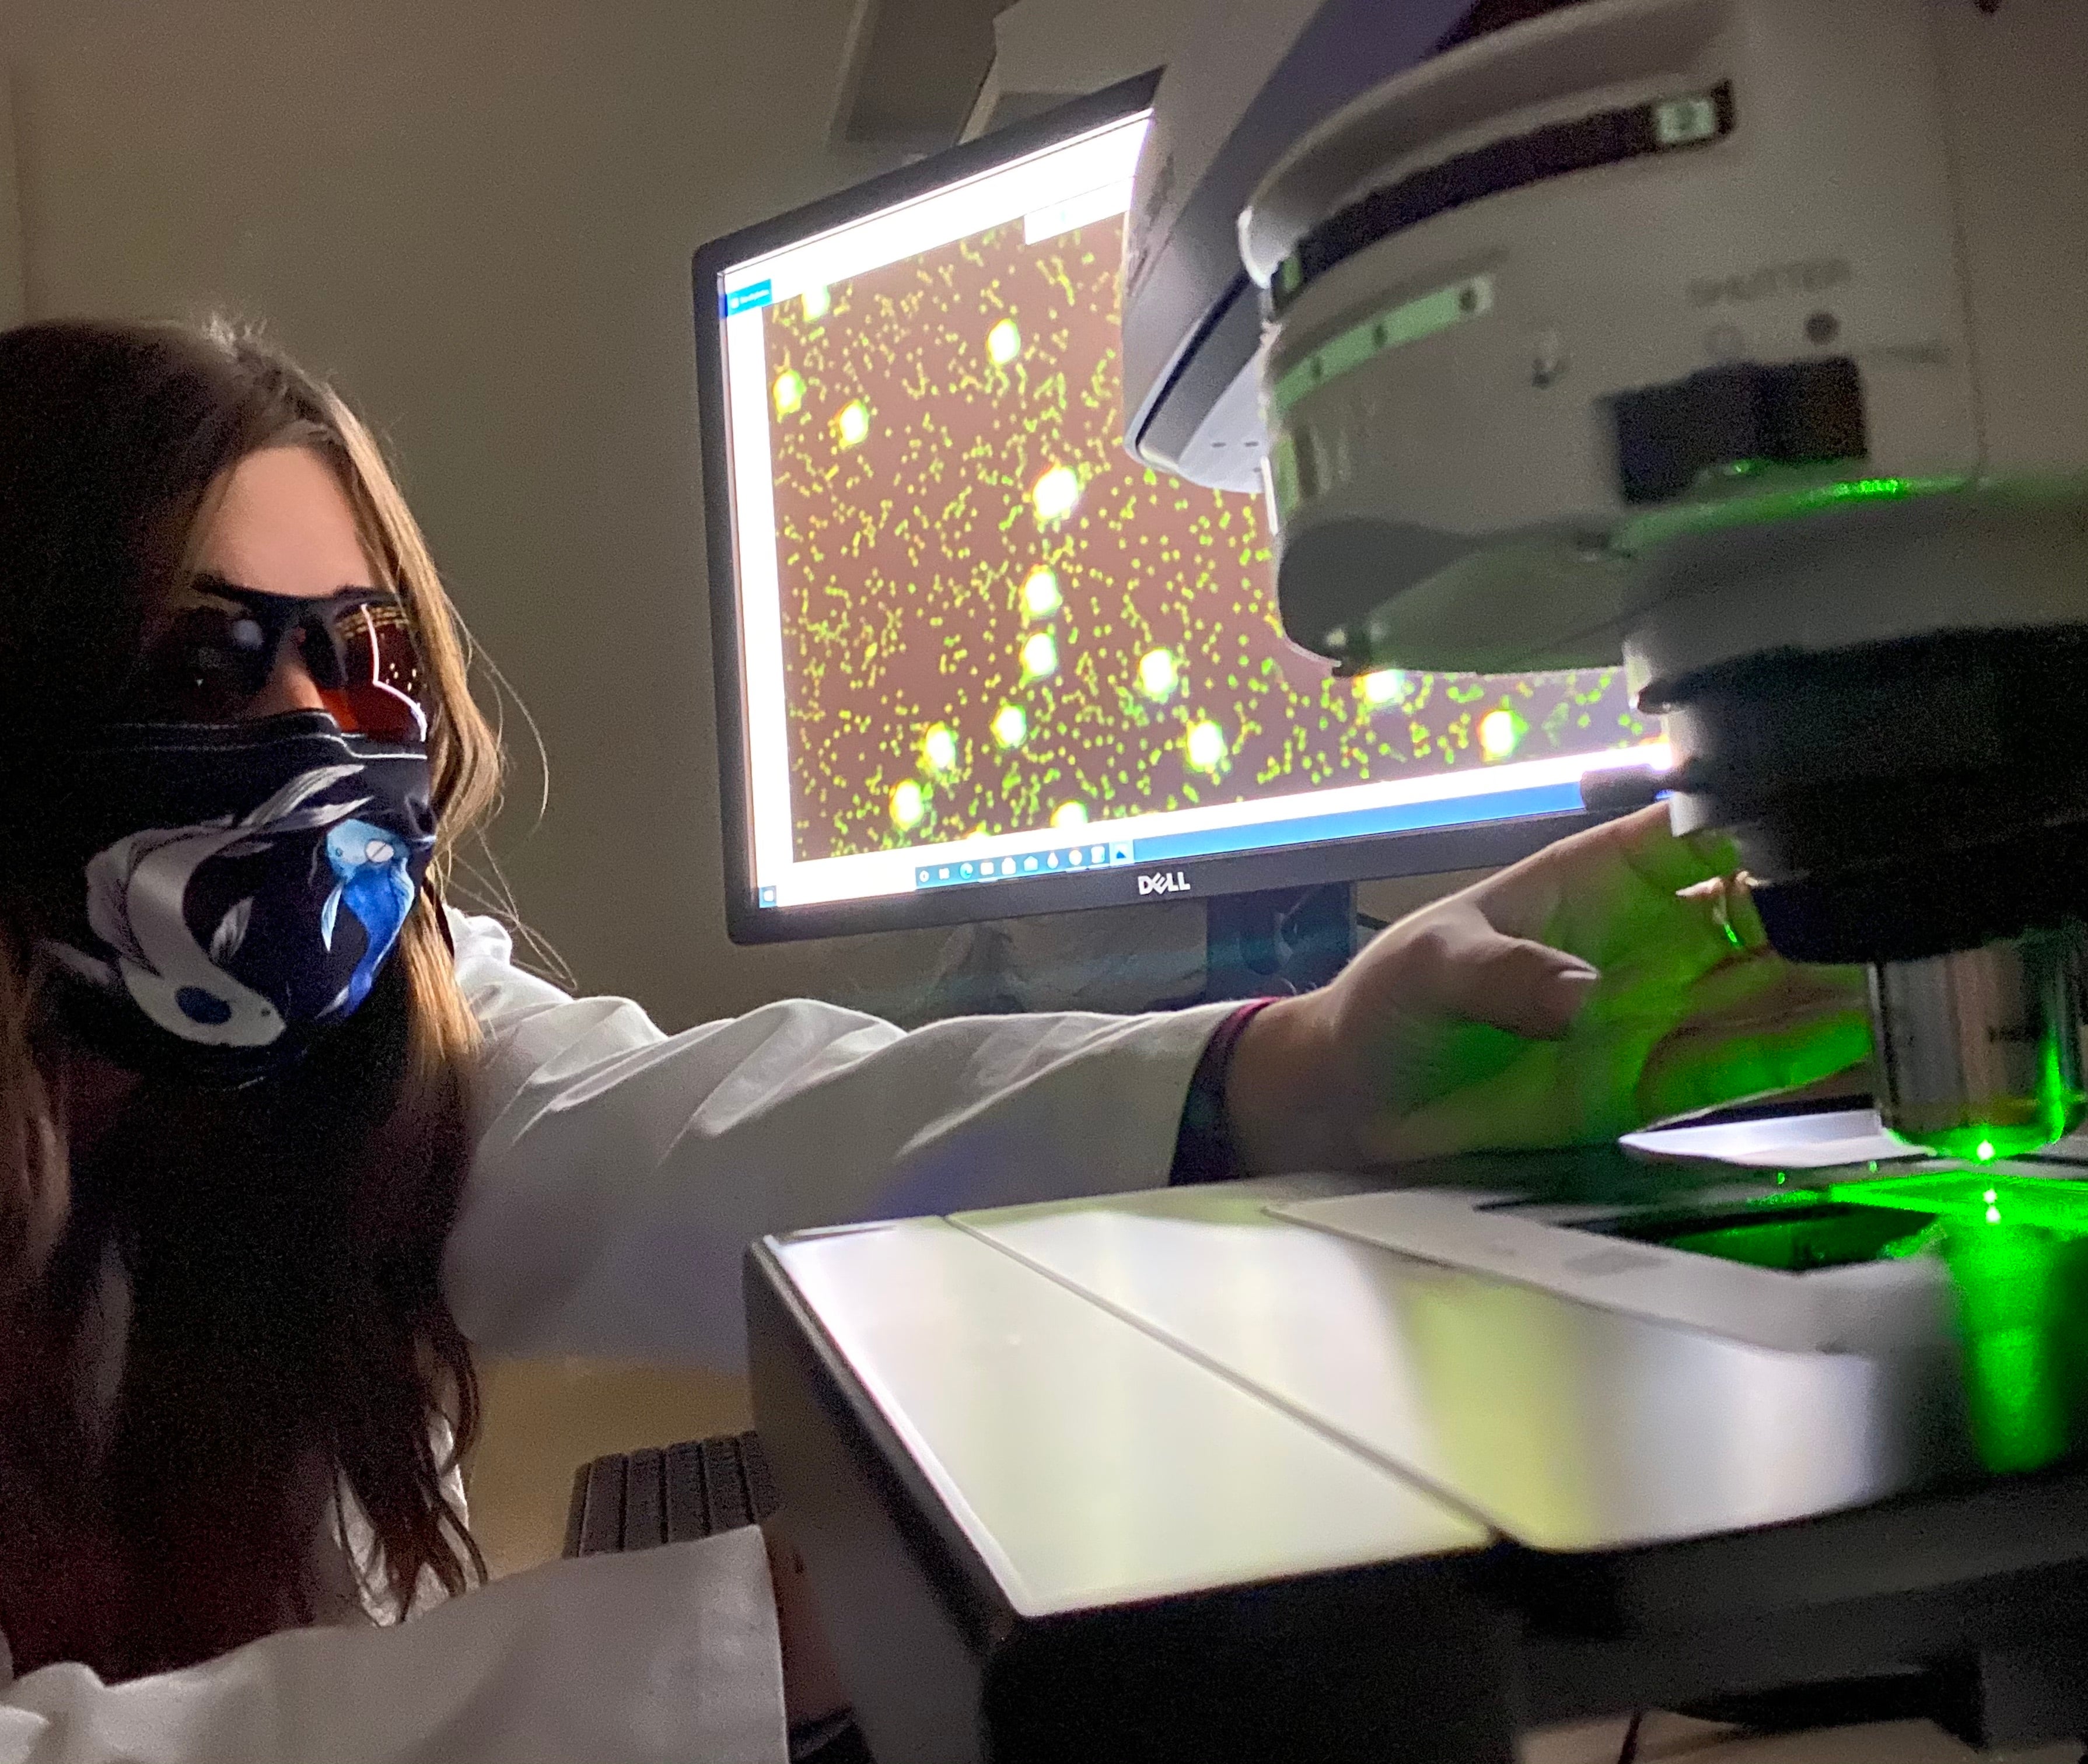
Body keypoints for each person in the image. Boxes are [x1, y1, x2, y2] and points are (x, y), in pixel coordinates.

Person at [0, 317, 1866, 1763]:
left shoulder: (326, 1058)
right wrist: (802, 1624)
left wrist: (1289, 1073)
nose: (326, 736)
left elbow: (695, 1126)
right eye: (207, 665)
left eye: (363, 653)